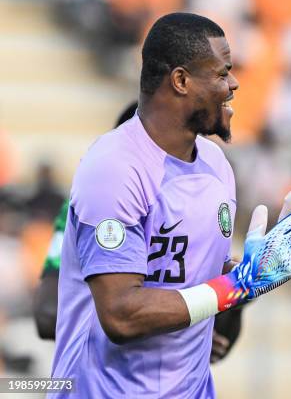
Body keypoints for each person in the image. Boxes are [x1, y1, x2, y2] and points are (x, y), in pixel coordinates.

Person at [50, 13, 291, 398]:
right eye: (221, 73)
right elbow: (121, 314)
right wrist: (236, 285)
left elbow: (211, 300)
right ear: (181, 81)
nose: (233, 84)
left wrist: (260, 273)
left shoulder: (216, 167)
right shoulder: (115, 167)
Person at [33, 102, 243, 363]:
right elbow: (47, 315)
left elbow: (219, 342)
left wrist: (240, 293)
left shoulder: (197, 213)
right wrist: (164, 331)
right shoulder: (89, 206)